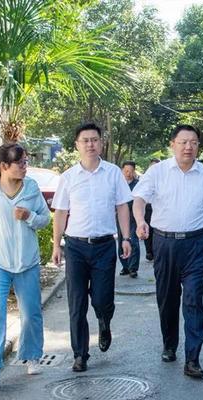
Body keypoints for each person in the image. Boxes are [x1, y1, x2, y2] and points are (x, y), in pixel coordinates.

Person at [132, 124, 203, 379]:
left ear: (198, 146)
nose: (188, 147)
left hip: (197, 244)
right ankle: (169, 344)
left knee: (193, 298)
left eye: (193, 142)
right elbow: (139, 199)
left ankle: (193, 358)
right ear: (173, 144)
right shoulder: (157, 171)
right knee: (167, 297)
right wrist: (140, 220)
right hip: (165, 243)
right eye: (183, 142)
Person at [51, 123, 133, 372]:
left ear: (101, 143)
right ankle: (80, 354)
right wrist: (57, 245)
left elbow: (122, 207)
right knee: (76, 303)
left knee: (102, 298)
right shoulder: (68, 177)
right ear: (77, 145)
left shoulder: (113, 173)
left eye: (94, 140)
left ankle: (104, 320)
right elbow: (61, 212)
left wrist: (126, 238)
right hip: (75, 247)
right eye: (85, 140)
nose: (90, 144)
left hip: (105, 246)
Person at [0, 143, 50, 392]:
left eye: (26, 162)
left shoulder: (32, 188)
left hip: (27, 262)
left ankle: (32, 356)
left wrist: (29, 217)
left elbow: (45, 219)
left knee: (31, 313)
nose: (25, 167)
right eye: (21, 163)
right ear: (4, 166)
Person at [118, 160, 140, 278]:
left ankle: (133, 268)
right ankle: (125, 266)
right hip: (120, 217)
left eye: (131, 171)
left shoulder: (138, 184)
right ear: (122, 171)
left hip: (133, 216)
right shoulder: (118, 184)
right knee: (121, 240)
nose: (128, 173)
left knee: (133, 241)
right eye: (126, 171)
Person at [144, 158, 160, 261]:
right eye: (152, 166)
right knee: (148, 230)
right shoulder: (145, 178)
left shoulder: (164, 177)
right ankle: (149, 251)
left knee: (156, 231)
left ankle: (156, 251)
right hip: (148, 207)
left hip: (159, 208)